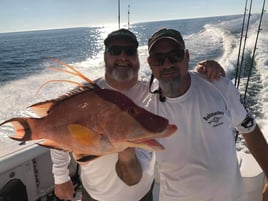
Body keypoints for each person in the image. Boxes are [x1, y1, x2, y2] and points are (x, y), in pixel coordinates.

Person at [51, 28, 225, 201]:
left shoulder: (155, 92)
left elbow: (181, 82)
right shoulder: (85, 95)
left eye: (130, 51)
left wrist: (205, 69)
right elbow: (55, 128)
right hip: (96, 194)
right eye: (115, 51)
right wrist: (61, 177)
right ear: (104, 56)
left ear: (139, 58)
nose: (123, 57)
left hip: (143, 193)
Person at [119, 28, 268, 201]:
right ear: (150, 64)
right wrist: (125, 152)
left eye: (175, 55)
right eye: (158, 59)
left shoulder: (219, 86)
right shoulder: (146, 111)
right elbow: (133, 177)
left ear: (187, 56)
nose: (167, 64)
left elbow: (248, 128)